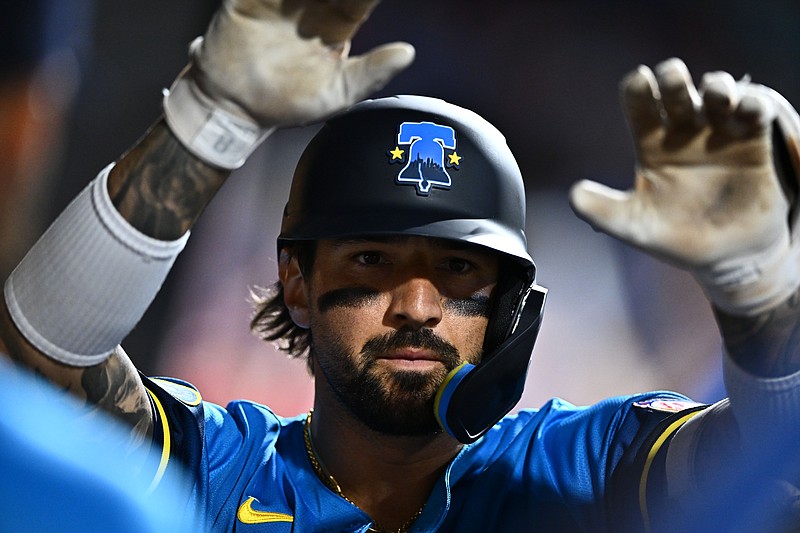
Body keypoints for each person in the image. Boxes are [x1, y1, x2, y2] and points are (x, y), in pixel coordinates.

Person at [1, 0, 799, 531]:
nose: (417, 302)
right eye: (374, 258)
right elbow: (35, 367)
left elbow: (779, 478)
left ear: (508, 304)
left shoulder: (582, 465)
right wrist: (209, 119)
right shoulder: (210, 466)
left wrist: (758, 295)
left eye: (458, 270)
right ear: (297, 284)